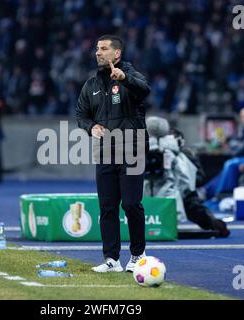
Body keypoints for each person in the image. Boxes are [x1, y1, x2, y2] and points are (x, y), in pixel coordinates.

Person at [76, 35, 150, 273]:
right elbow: (81, 114)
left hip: (132, 148)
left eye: (104, 49)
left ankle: (138, 255)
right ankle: (112, 259)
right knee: (107, 207)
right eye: (97, 48)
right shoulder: (91, 84)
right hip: (105, 151)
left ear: (117, 54)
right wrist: (91, 127)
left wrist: (125, 79)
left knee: (130, 203)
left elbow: (145, 90)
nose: (98, 52)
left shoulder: (131, 74)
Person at [145, 116, 230, 237]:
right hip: (149, 189)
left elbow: (196, 178)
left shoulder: (181, 153)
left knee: (193, 207)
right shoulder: (138, 147)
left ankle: (215, 224)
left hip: (173, 190)